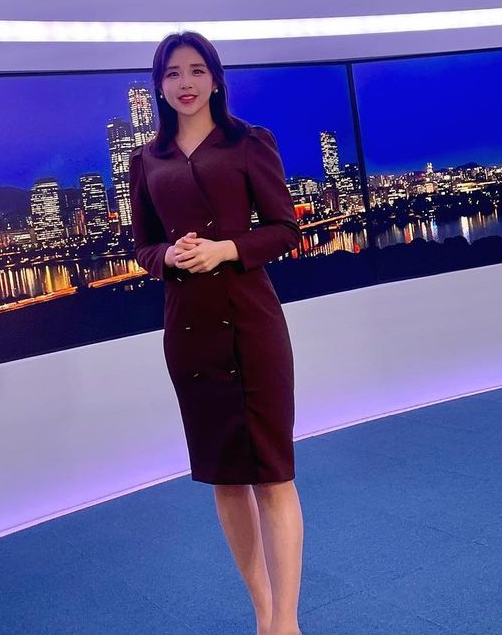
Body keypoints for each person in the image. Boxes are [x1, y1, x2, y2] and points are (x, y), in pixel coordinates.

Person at [128, 31, 305, 635]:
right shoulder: (146, 160)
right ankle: (263, 614)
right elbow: (142, 247)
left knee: (273, 475)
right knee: (226, 479)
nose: (185, 83)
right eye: (173, 73)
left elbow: (285, 229)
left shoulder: (249, 142)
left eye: (196, 70)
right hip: (190, 329)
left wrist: (226, 248)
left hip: (252, 323)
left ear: (215, 79)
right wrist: (169, 258)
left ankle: (287, 624)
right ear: (159, 85)